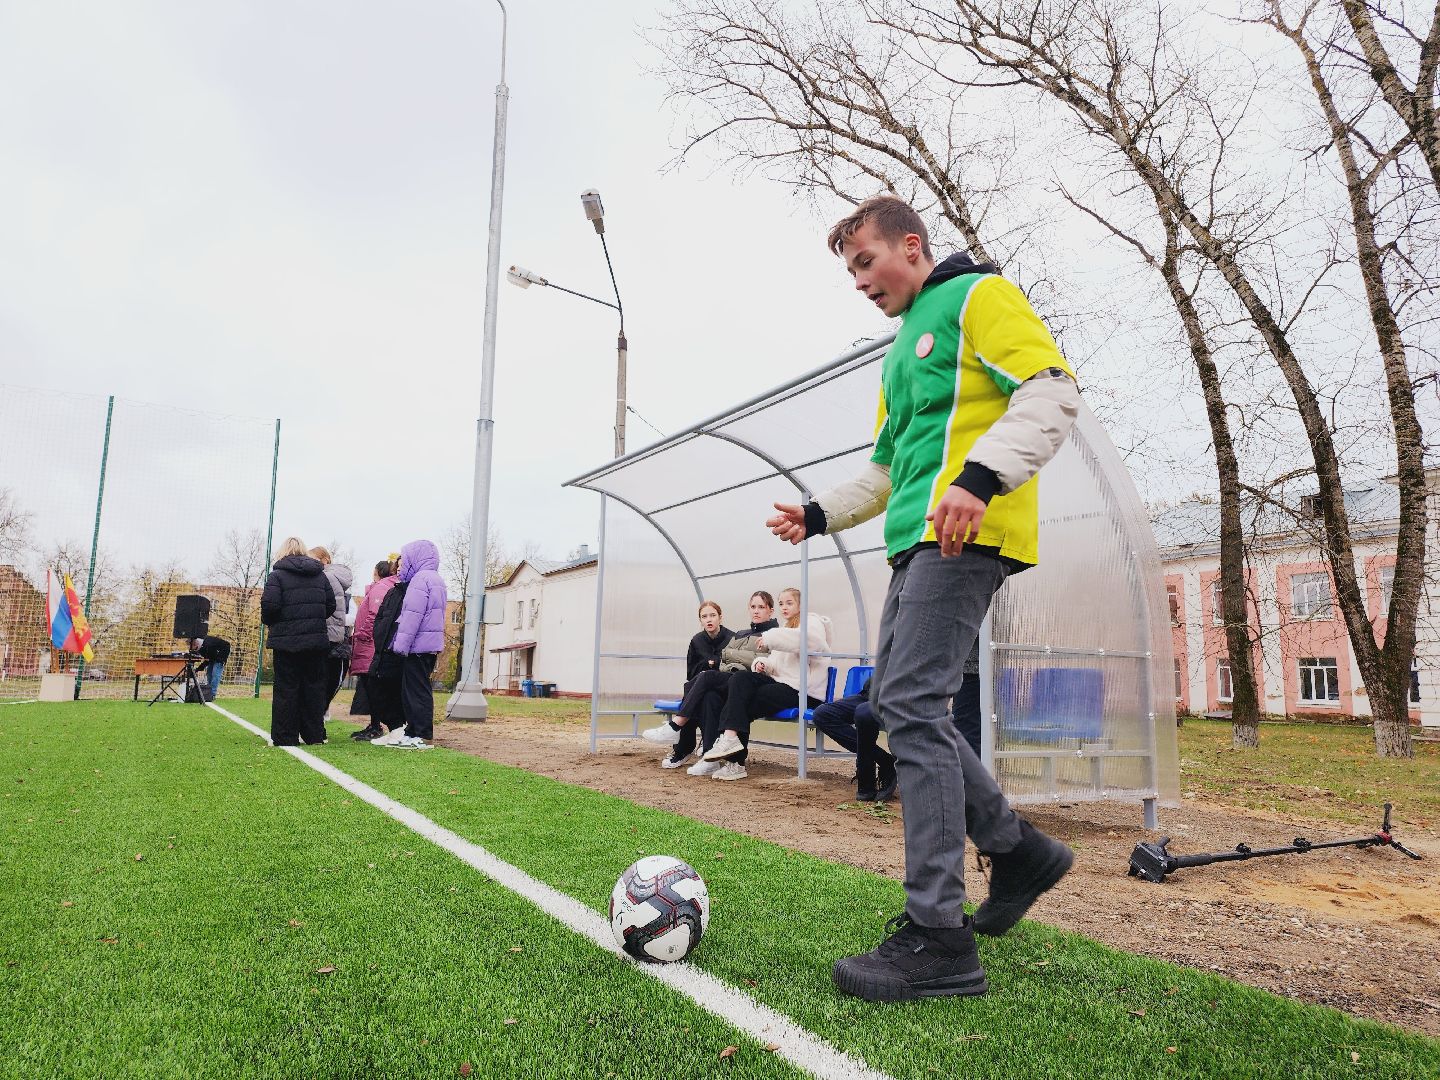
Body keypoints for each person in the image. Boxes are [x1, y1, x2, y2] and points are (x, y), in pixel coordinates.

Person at [766, 195, 1080, 1001]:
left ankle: (941, 938)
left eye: (866, 262)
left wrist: (980, 479)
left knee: (907, 705)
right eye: (850, 272)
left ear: (911, 245)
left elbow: (1050, 392)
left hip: (966, 534)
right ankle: (1016, 852)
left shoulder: (979, 296)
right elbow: (884, 470)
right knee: (903, 709)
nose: (859, 282)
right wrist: (814, 514)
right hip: (915, 544)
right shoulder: (902, 347)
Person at [701, 587, 831, 781]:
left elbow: (812, 642)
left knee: (744, 702)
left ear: (800, 605)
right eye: (781, 603)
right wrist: (762, 664)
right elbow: (779, 664)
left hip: (804, 692)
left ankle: (735, 759)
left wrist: (771, 637)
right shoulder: (787, 628)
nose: (784, 607)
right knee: (740, 678)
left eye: (789, 603)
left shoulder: (812, 622)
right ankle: (731, 745)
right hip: (783, 684)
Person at [641, 592, 777, 770]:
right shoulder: (742, 633)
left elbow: (752, 658)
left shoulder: (773, 634)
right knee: (708, 695)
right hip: (729, 678)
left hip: (747, 682)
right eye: (753, 607)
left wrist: (729, 656)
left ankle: (676, 728)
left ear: (771, 610)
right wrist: (724, 659)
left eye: (761, 607)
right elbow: (723, 660)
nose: (756, 611)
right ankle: (708, 756)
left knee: (705, 677)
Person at [260, 537, 336, 747]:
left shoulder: (277, 576)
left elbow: (269, 607)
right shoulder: (320, 576)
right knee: (314, 688)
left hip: (286, 642)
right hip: (316, 641)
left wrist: (275, 623)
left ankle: (286, 736)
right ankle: (314, 735)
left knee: (286, 689)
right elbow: (330, 606)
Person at [383, 539, 447, 750]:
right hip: (429, 645)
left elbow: (412, 616)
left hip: (418, 646)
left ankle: (421, 734)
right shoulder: (435, 579)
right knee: (416, 689)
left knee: (415, 691)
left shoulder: (420, 581)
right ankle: (413, 732)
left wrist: (400, 644)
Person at [349, 559, 398, 741]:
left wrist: (361, 634)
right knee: (370, 688)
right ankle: (374, 724)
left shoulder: (380, 588)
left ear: (377, 572)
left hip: (369, 645)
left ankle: (378, 726)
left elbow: (374, 616)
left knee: (373, 687)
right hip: (370, 645)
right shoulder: (383, 588)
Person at [309, 547, 353, 720]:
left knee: (328, 680)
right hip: (329, 637)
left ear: (325, 560)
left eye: (313, 559)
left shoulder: (327, 577)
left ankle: (317, 716)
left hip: (332, 639)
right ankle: (317, 716)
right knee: (323, 680)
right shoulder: (328, 578)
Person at [190, 634, 231, 702]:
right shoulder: (201, 648)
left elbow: (209, 658)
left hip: (222, 653)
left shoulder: (208, 645)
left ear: (195, 644)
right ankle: (208, 693)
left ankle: (212, 694)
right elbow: (208, 659)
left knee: (215, 673)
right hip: (214, 655)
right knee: (209, 673)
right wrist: (197, 669)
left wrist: (222, 660)